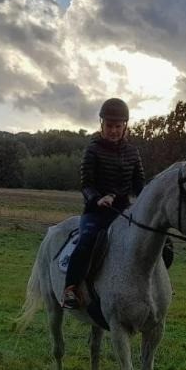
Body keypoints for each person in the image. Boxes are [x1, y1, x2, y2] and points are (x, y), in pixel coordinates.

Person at [62, 98, 144, 309]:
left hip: (123, 211)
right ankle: (70, 288)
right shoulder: (93, 150)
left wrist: (147, 202)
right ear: (102, 124)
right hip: (96, 211)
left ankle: (153, 285)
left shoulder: (133, 152)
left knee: (152, 240)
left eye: (118, 126)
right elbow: (86, 184)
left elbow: (139, 185)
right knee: (86, 240)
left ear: (125, 126)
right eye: (109, 126)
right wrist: (98, 198)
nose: (113, 130)